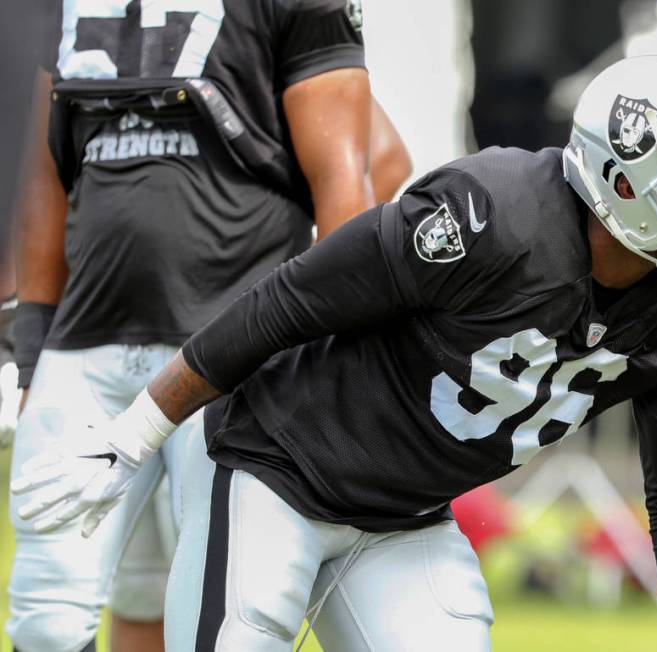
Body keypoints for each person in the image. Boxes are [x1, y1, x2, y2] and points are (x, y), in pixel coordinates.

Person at [12, 55, 657, 652]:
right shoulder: (493, 216)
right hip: (275, 470)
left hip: (406, 519)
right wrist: (136, 434)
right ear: (625, 181)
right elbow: (288, 301)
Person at [7, 1, 411, 651]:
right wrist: (30, 353)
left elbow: (357, 173)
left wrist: (334, 360)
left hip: (231, 357)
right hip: (87, 346)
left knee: (223, 620)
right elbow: (43, 177)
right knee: (46, 621)